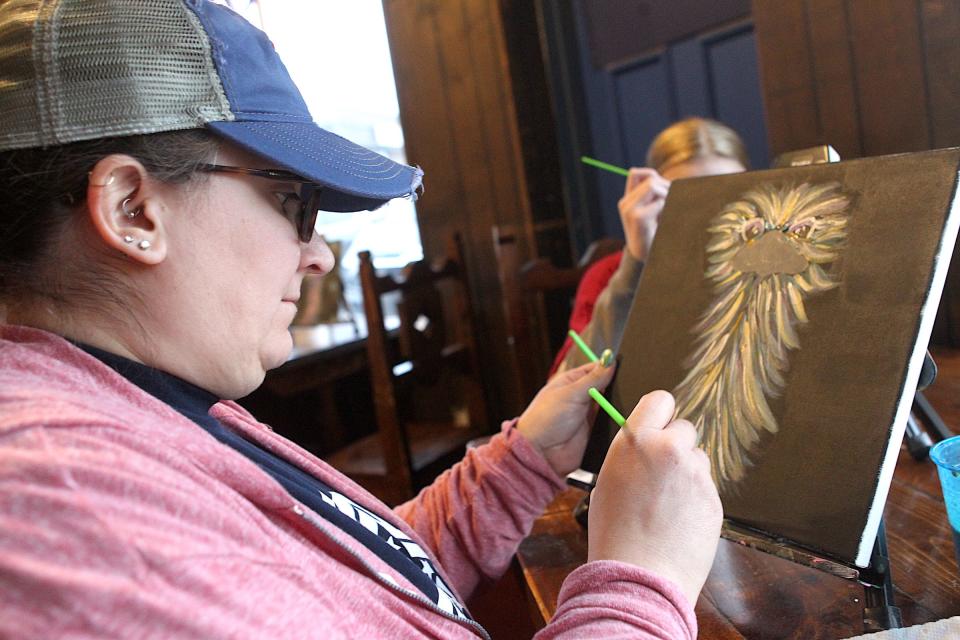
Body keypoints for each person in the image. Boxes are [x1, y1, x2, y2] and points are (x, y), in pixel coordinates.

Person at [0, 2, 721, 638]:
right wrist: (637, 583)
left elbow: (356, 590)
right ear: (134, 210)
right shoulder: (62, 508)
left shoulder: (139, 402)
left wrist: (522, 459)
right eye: (294, 203)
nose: (316, 254)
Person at [553, 118, 749, 373]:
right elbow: (565, 387)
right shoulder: (608, 274)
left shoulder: (771, 266)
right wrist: (635, 267)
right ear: (652, 195)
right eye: (687, 196)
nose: (710, 214)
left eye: (727, 193)